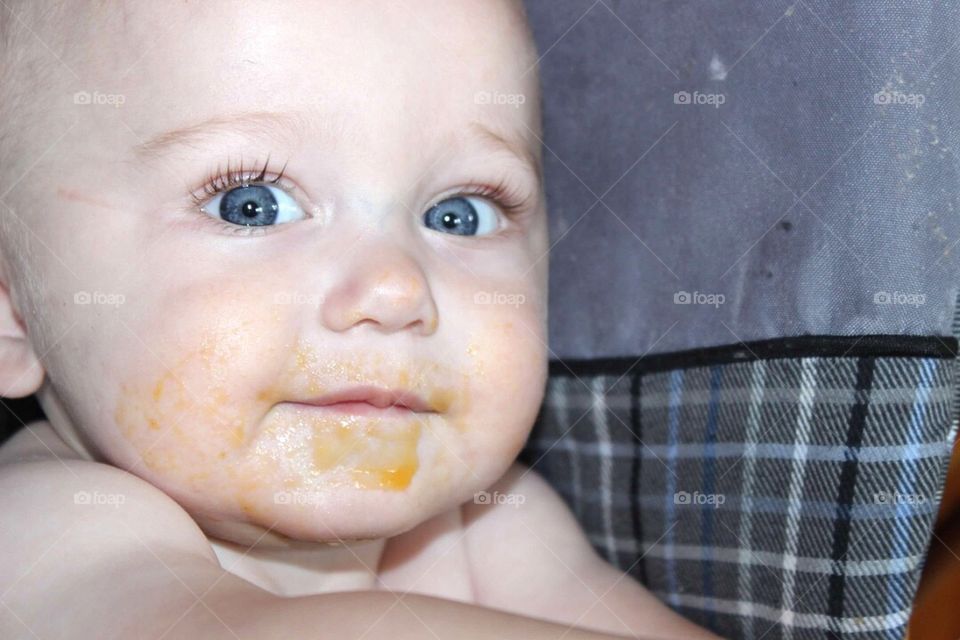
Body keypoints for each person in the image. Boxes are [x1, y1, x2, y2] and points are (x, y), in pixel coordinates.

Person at [0, 1, 719, 637]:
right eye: (250, 204)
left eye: (459, 214)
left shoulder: (491, 523)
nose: (395, 288)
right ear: (13, 312)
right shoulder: (47, 523)